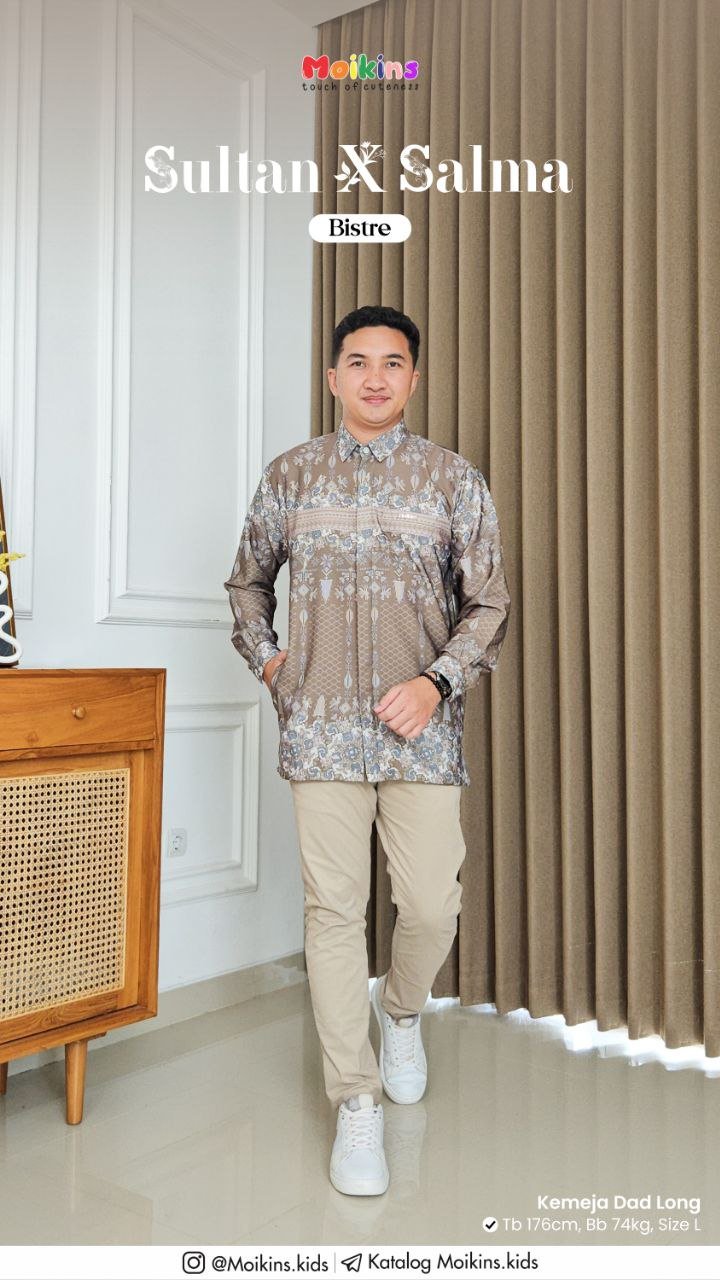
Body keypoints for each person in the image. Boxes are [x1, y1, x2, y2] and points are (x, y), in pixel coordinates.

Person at [223, 305, 511, 1197]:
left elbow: (489, 605)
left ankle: (403, 1012)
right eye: (358, 362)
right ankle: (355, 1100)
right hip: (319, 735)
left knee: (429, 904)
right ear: (334, 377)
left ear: (413, 378)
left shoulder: (452, 480)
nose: (375, 377)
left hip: (419, 736)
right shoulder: (290, 476)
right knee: (333, 914)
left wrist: (436, 683)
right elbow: (247, 583)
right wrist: (270, 662)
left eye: (392, 363)